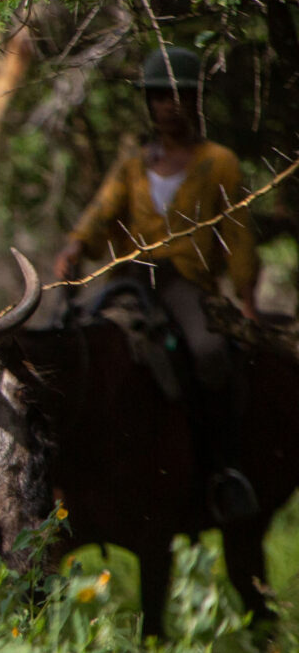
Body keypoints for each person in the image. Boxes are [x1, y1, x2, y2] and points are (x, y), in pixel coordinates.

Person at [52, 45, 261, 521]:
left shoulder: (219, 163)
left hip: (186, 283)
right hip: (131, 281)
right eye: (160, 97)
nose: (170, 105)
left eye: (180, 96)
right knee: (72, 343)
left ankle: (222, 470)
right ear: (149, 103)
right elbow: (100, 215)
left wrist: (246, 299)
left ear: (195, 100)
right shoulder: (131, 164)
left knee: (209, 354)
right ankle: (67, 478)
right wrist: (73, 246)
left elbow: (240, 237)